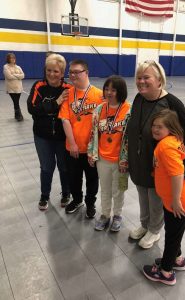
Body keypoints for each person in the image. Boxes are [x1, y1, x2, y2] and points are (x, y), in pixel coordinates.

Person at [127, 60, 185, 249]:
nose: (141, 81)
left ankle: (154, 230)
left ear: (159, 80)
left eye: (146, 77)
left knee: (155, 201)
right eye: (139, 77)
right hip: (138, 164)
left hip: (158, 170)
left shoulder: (172, 103)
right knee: (143, 198)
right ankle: (145, 225)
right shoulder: (138, 99)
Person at [143, 109, 185, 285]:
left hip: (181, 202)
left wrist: (176, 200)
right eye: (153, 125)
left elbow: (177, 174)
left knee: (172, 237)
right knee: (174, 234)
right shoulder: (173, 140)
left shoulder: (166, 146)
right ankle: (177, 259)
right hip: (184, 199)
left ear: (171, 128)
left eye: (160, 126)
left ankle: (166, 272)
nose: (155, 129)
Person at [58, 59, 103, 218]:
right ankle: (77, 200)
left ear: (86, 73)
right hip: (73, 147)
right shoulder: (68, 94)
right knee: (74, 178)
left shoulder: (99, 94)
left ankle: (90, 203)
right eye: (71, 72)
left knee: (92, 179)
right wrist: (72, 143)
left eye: (77, 72)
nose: (73, 75)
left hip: (92, 149)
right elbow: (65, 119)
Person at [27, 54, 71, 211]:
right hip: (42, 137)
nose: (52, 74)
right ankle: (44, 195)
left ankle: (66, 193)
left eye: (56, 71)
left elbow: (72, 113)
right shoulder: (39, 86)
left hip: (62, 137)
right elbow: (32, 109)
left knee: (64, 167)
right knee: (46, 167)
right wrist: (56, 103)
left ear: (62, 72)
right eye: (49, 70)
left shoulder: (68, 89)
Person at [87, 75, 131, 231]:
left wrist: (128, 160)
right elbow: (93, 133)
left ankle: (117, 215)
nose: (109, 92)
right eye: (107, 89)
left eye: (114, 89)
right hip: (103, 159)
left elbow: (132, 138)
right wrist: (91, 153)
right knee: (105, 190)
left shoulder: (129, 110)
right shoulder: (99, 109)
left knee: (119, 190)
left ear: (121, 91)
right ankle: (105, 215)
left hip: (122, 162)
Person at [3, 52, 25, 121]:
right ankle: (19, 116)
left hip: (19, 87)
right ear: (8, 59)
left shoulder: (18, 67)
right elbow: (9, 76)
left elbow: (23, 75)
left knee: (16, 101)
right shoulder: (6, 66)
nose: (13, 59)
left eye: (14, 58)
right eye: (11, 58)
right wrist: (18, 76)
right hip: (11, 88)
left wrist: (14, 75)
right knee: (15, 101)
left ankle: (17, 115)